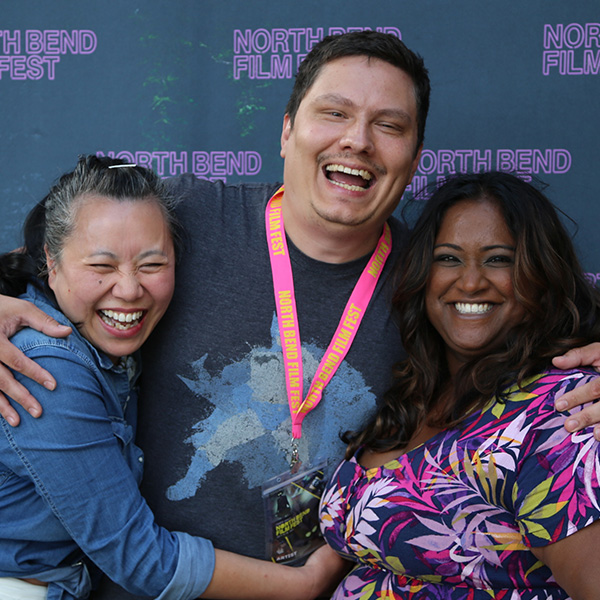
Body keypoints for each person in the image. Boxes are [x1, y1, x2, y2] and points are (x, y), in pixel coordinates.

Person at [0, 31, 597, 599]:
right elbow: (63, 270)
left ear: (414, 162)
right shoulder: (184, 215)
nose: (357, 141)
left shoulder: (434, 280)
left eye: (388, 125)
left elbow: (541, 328)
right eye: (333, 113)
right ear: (287, 131)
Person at [0, 155, 344, 600]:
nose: (128, 289)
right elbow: (140, 558)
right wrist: (304, 584)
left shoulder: (99, 344)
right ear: (50, 259)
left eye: (151, 265)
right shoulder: (45, 368)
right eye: (101, 266)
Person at [319, 171, 600, 599]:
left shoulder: (560, 416)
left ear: (539, 275)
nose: (470, 282)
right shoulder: (412, 394)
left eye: (498, 259)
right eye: (448, 258)